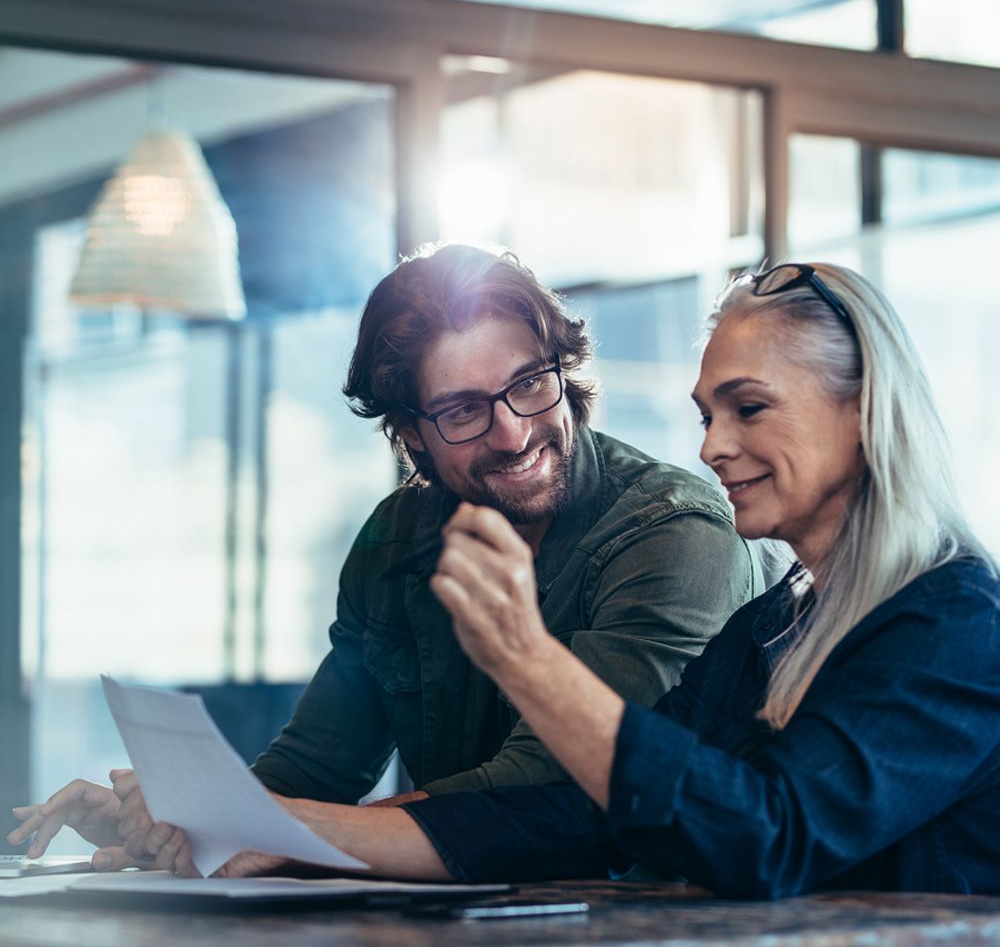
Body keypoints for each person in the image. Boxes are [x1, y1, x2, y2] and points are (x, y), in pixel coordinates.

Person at [102, 260, 999, 897]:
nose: (711, 445)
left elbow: (769, 836)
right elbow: (584, 813)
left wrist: (525, 657)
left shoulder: (954, 620)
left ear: (866, 407)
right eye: (706, 413)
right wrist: (256, 827)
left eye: (749, 408)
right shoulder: (777, 621)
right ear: (411, 436)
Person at [9, 242, 756, 871]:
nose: (512, 433)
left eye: (528, 384)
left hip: (649, 921)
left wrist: (268, 829)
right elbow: (316, 767)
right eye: (464, 409)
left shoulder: (672, 535)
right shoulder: (396, 540)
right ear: (410, 432)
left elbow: (540, 788)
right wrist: (185, 826)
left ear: (562, 372)